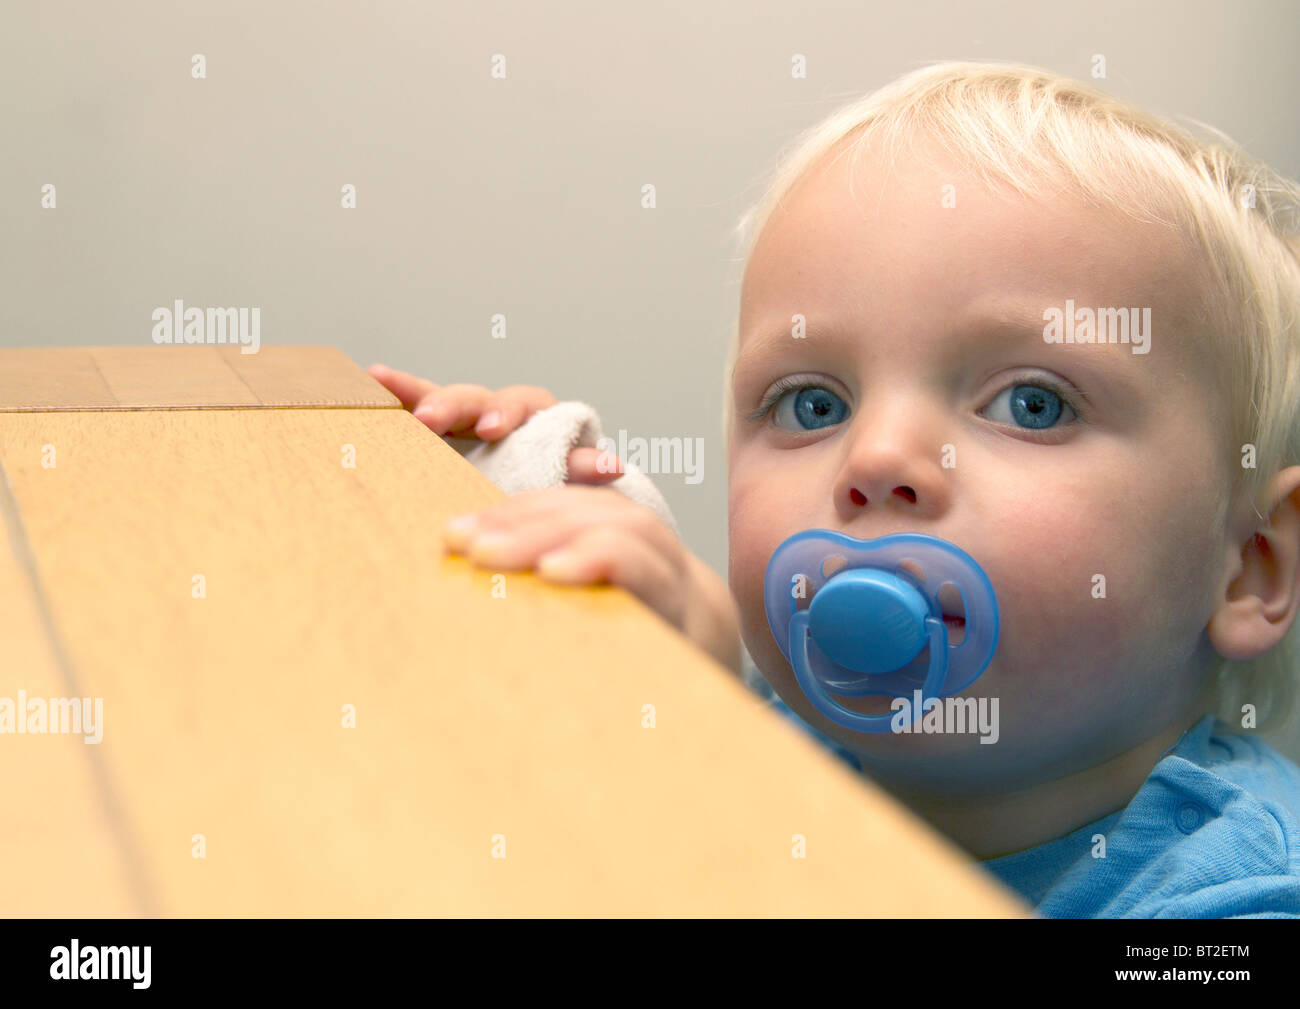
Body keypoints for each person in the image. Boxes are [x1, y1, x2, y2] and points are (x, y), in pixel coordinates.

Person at [370, 61, 1300, 917]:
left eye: (1031, 402)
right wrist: (527, 553)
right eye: (813, 404)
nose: (875, 460)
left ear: (1249, 568)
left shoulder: (1235, 896)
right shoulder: (779, 750)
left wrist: (701, 756)